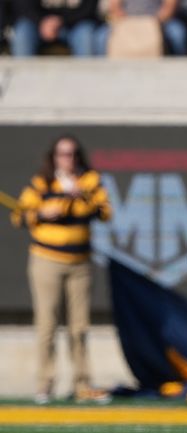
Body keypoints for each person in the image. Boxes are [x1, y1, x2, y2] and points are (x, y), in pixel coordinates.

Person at [10, 135, 112, 404]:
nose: (68, 159)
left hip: (80, 263)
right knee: (47, 324)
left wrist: (82, 195)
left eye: (72, 154)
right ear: (54, 157)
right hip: (46, 260)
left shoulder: (89, 180)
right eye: (62, 154)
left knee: (79, 327)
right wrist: (41, 213)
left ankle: (82, 384)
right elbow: (19, 215)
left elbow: (105, 212)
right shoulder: (42, 182)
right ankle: (45, 384)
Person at [94, 0, 187, 55]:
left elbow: (169, 6)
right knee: (101, 38)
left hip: (158, 21)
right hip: (126, 22)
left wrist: (155, 22)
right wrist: (129, 22)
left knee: (178, 33)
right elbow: (114, 7)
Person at [11, 0, 98, 57]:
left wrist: (61, 20)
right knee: (23, 32)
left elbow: (89, 8)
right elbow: (22, 5)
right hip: (38, 23)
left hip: (74, 23)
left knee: (85, 34)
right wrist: (41, 21)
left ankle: (85, 82)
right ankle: (24, 81)